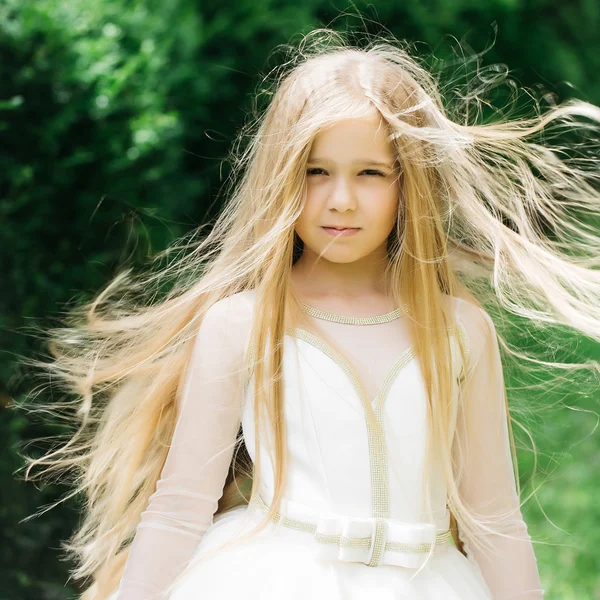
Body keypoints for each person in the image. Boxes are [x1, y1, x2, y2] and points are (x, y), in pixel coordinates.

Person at [22, 27, 600, 600]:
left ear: (410, 185)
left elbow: (493, 519)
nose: (340, 199)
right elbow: (179, 509)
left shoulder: (460, 331)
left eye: (370, 173)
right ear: (281, 177)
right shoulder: (242, 323)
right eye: (315, 171)